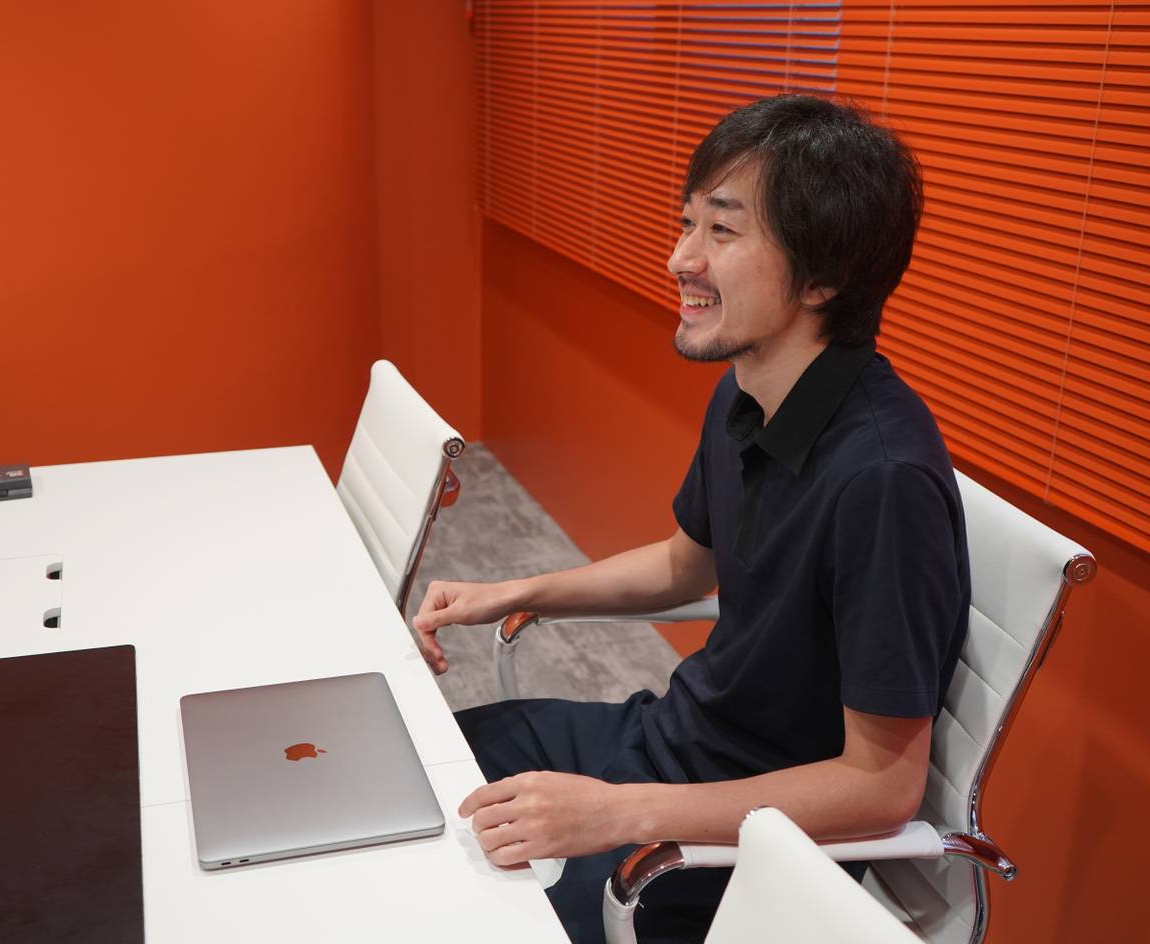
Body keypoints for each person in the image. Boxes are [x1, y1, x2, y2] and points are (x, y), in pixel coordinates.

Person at [413, 93, 969, 944]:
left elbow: (883, 787)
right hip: (668, 742)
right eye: (686, 224)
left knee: (464, 912)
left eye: (722, 230)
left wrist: (618, 813)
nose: (681, 258)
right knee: (430, 762)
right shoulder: (747, 395)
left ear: (823, 276)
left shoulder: (883, 480)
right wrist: (514, 590)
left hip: (740, 847)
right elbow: (686, 564)